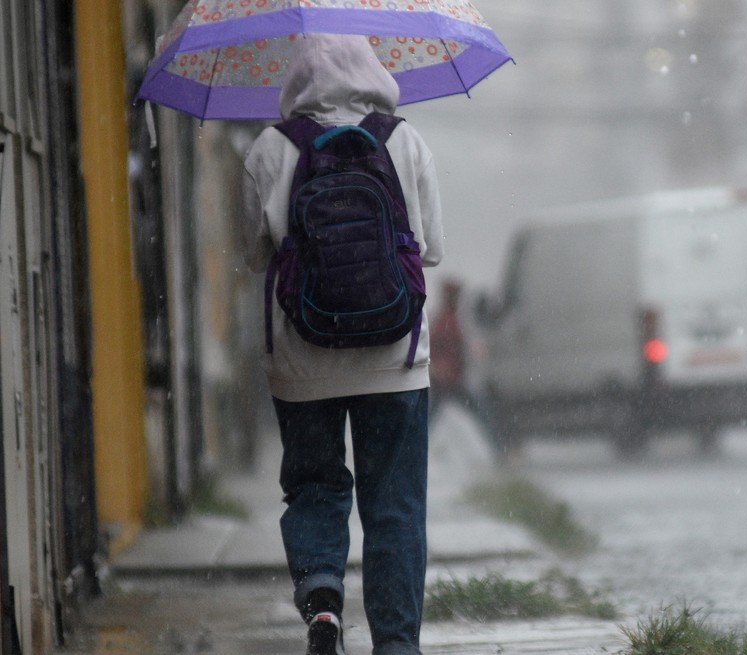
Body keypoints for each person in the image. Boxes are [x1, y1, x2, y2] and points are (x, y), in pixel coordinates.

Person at [240, 34, 443, 655]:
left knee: (315, 486)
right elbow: (432, 250)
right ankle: (398, 645)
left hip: (304, 358)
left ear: (296, 81)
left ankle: (324, 600)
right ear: (373, 71)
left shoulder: (268, 149)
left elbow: (253, 256)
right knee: (395, 507)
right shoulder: (405, 140)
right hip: (396, 359)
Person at [428, 277, 501, 457]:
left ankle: (500, 449)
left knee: (429, 419)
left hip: (450, 380)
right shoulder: (445, 322)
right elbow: (435, 350)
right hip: (448, 381)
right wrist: (439, 368)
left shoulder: (448, 320)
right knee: (481, 413)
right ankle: (501, 450)